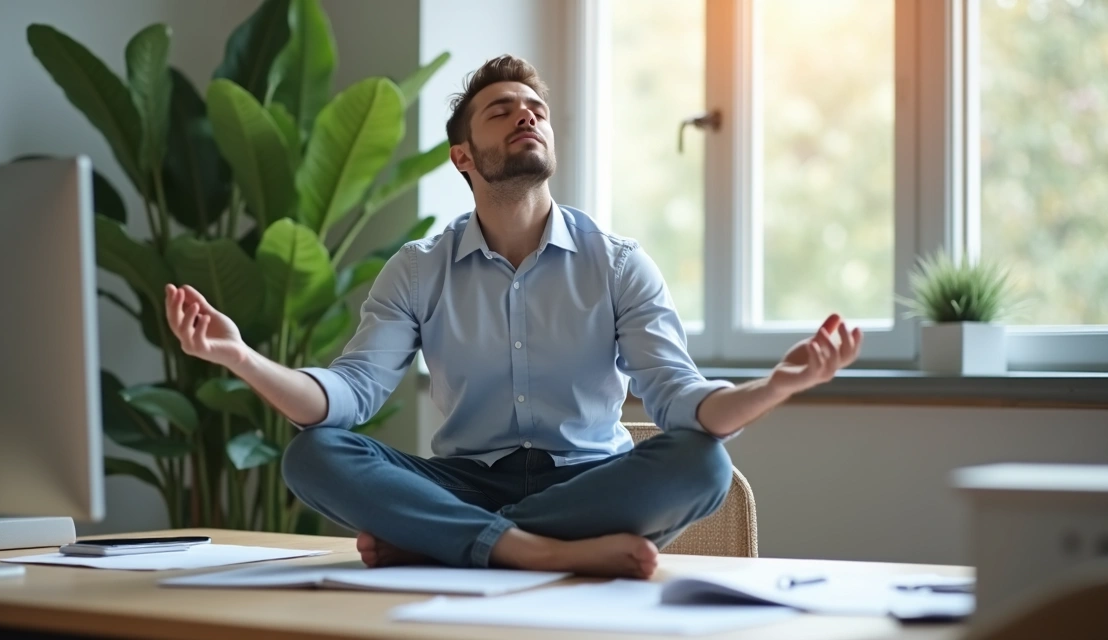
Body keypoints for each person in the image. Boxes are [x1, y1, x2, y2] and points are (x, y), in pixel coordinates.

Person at [164, 55, 862, 579]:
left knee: (703, 466)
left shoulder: (617, 262)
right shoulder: (418, 267)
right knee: (313, 454)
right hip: (462, 477)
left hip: (588, 481)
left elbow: (681, 400)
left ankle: (452, 542)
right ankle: (531, 550)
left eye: (536, 108)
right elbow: (346, 397)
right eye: (502, 110)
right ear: (462, 157)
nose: (528, 114)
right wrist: (239, 357)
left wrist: (776, 385)